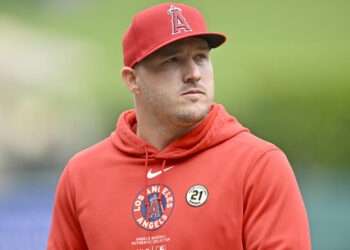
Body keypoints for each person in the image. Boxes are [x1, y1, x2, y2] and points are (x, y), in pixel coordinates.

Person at [47, 3, 311, 250]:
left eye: (200, 57)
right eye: (172, 60)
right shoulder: (81, 176)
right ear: (132, 80)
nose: (193, 73)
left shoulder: (259, 165)